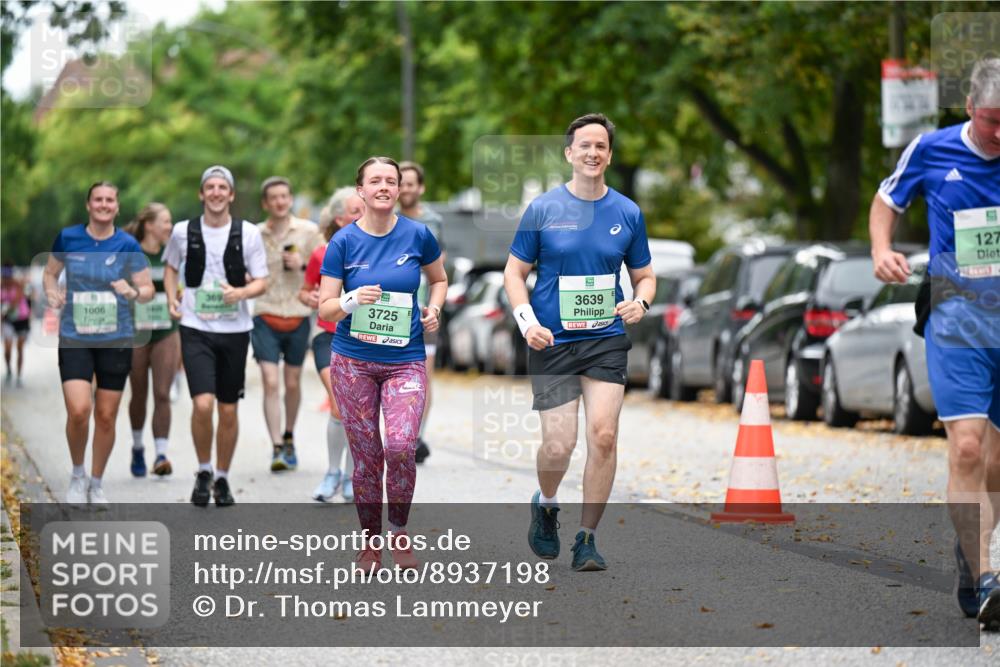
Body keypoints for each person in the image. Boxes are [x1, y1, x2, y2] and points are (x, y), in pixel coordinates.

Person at [869, 58, 1000, 629]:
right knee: (967, 449)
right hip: (957, 315)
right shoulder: (931, 148)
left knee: (996, 462)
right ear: (970, 109)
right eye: (993, 119)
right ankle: (985, 574)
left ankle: (971, 546)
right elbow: (886, 203)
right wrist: (880, 249)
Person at [503, 113, 655, 572]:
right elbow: (514, 274)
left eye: (601, 146)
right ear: (569, 153)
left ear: (610, 155)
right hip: (551, 340)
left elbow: (644, 277)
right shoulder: (543, 209)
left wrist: (641, 304)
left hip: (605, 338)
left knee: (604, 436)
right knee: (559, 444)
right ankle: (546, 503)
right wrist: (526, 321)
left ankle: (587, 538)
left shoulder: (627, 212)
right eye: (584, 145)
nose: (593, 153)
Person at [319, 157, 447, 571]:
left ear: (398, 189)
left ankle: (399, 531)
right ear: (361, 190)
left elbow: (439, 279)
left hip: (405, 360)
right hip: (353, 361)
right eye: (375, 181)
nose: (384, 187)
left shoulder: (418, 235)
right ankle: (370, 541)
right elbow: (326, 306)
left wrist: (434, 308)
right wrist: (353, 300)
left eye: (391, 181)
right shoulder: (343, 242)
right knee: (368, 456)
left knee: (400, 446)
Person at [163, 166, 269, 507]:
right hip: (196, 328)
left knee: (227, 410)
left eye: (222, 187)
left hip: (235, 330)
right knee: (202, 404)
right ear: (201, 193)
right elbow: (170, 268)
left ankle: (222, 477)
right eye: (210, 186)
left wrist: (241, 293)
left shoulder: (248, 233)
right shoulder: (182, 231)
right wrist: (170, 297)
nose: (216, 192)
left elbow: (262, 281)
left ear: (231, 194)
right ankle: (204, 469)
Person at [43, 181, 154, 505]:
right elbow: (50, 273)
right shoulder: (69, 237)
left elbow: (146, 288)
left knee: (106, 415)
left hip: (116, 337)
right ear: (88, 205)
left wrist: (133, 292)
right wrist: (52, 292)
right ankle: (77, 474)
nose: (104, 204)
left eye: (110, 200)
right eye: (98, 199)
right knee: (79, 410)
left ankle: (96, 481)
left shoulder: (128, 244)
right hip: (75, 337)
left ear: (117, 208)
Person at [252, 177, 322, 472]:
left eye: (284, 196)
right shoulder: (253, 234)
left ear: (290, 199)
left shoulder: (309, 231)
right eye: (274, 198)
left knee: (291, 382)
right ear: (265, 203)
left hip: (297, 313)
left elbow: (324, 269)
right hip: (264, 312)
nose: (280, 201)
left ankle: (290, 435)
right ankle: (276, 446)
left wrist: (302, 266)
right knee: (270, 381)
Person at [300, 187, 364, 502]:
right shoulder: (321, 254)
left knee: (358, 409)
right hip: (329, 336)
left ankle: (352, 477)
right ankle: (331, 473)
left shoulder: (379, 253)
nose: (362, 215)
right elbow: (305, 290)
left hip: (364, 338)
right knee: (340, 403)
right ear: (339, 220)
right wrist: (311, 297)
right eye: (355, 211)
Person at [124, 203, 180, 478]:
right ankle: (137, 447)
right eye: (165, 222)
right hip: (136, 332)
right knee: (139, 393)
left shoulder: (174, 254)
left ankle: (161, 453)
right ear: (149, 225)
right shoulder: (132, 254)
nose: (169, 227)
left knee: (162, 392)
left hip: (167, 330)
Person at [398, 161, 445, 464]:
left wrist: (436, 306)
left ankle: (415, 437)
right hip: (391, 311)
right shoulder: (385, 218)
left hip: (425, 309)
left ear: (421, 187)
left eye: (410, 183)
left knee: (423, 378)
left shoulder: (433, 222)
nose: (405, 189)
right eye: (400, 183)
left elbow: (439, 267)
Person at [2, 263, 31, 387]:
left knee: (19, 348)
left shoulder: (18, 284)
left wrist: (4, 310)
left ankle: (19, 375)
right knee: (7, 348)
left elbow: (15, 301)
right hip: (8, 319)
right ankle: (9, 369)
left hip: (21, 319)